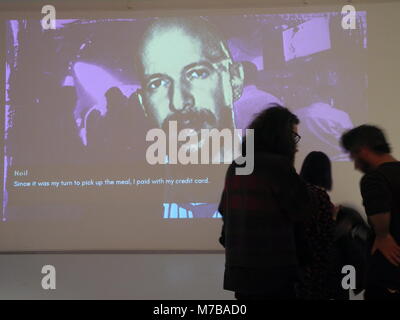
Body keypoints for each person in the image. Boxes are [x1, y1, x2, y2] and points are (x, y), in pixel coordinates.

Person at [134, 17, 246, 218]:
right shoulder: (133, 202)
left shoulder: (274, 184)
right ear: (144, 104)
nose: (178, 102)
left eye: (197, 73)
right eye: (157, 83)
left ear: (234, 80)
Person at [218, 105, 312, 299]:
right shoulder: (278, 166)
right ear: (280, 137)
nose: (296, 145)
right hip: (273, 270)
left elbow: (224, 210)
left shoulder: (238, 164)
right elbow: (302, 210)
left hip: (240, 271)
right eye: (293, 137)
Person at [299, 151, 370, 299]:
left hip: (302, 275)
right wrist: (334, 219)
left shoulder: (297, 199)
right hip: (330, 275)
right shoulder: (326, 203)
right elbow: (324, 236)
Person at [341, 125, 400, 300]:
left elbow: (379, 211)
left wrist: (383, 235)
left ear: (363, 150)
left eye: (353, 156)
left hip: (389, 272)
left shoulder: (374, 178)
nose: (355, 165)